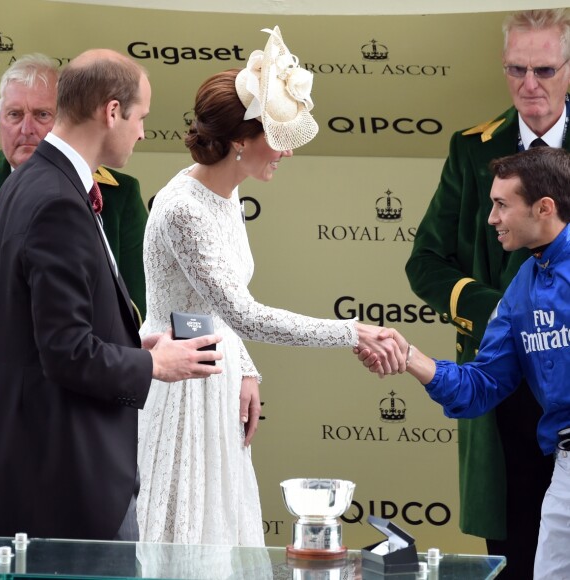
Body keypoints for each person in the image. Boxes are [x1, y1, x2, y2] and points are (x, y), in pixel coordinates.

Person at [136, 26, 404, 546]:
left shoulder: (225, 193)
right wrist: (352, 333)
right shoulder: (183, 209)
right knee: (182, 544)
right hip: (181, 392)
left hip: (215, 376)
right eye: (276, 139)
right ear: (240, 141)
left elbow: (219, 306)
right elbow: (244, 314)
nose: (286, 153)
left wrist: (247, 369)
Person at [0, 48, 223, 541]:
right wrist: (155, 366)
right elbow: (66, 352)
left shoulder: (30, 184)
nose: (141, 132)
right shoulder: (56, 200)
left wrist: (133, 346)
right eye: (140, 117)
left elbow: (43, 332)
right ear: (111, 111)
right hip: (67, 479)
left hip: (45, 465)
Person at [404, 9, 570, 576]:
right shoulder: (472, 149)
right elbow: (424, 262)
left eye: (545, 69)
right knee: (517, 544)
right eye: (516, 69)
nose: (530, 85)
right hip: (502, 373)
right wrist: (499, 310)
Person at [364, 147, 570, 580]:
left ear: (544, 207)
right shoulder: (521, 289)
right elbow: (482, 384)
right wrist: (413, 359)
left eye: (501, 205)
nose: (491, 218)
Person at [0, 53, 149, 319]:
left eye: (42, 114)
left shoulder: (118, 194)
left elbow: (137, 299)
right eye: (14, 115)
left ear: (65, 118)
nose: (26, 128)